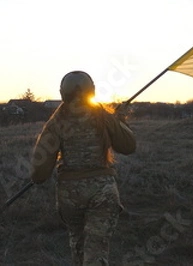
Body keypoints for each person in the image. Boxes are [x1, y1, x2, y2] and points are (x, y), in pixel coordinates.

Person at [30, 70, 137, 265]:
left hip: (70, 196)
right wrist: (118, 122)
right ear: (92, 91)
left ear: (63, 93)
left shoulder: (55, 124)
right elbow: (129, 146)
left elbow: (39, 173)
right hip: (103, 193)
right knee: (96, 248)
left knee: (78, 245)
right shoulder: (104, 117)